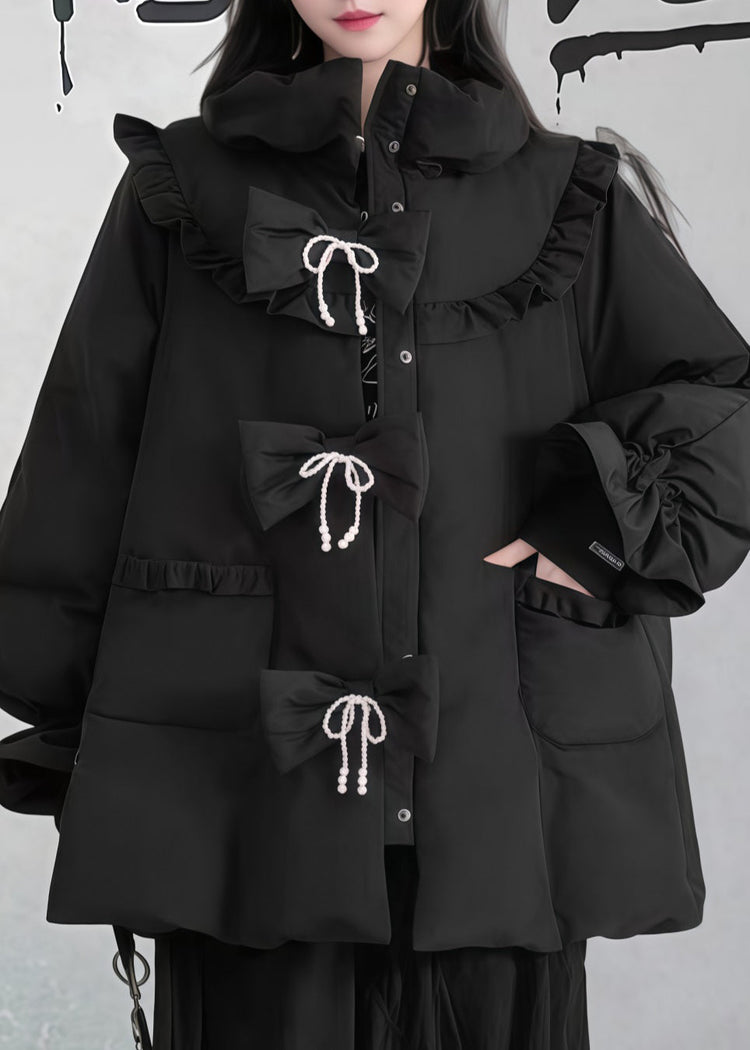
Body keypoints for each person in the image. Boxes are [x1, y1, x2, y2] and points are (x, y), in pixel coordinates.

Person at [1, 1, 749, 1047]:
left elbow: (724, 403)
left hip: (500, 774)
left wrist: (591, 531)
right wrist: (82, 741)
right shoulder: (183, 189)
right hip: (241, 790)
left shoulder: (562, 191)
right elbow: (83, 457)